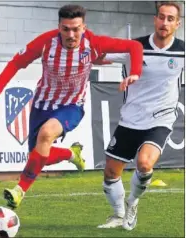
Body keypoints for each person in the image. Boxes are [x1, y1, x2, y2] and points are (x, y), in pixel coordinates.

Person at [0, 4, 143, 210]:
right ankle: (71, 154)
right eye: (66, 29)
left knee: (46, 135)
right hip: (42, 104)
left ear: (84, 27)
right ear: (59, 27)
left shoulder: (94, 43)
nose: (71, 34)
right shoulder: (46, 43)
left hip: (73, 105)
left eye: (76, 29)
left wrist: (135, 72)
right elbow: (16, 63)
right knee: (38, 156)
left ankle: (19, 190)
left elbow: (134, 47)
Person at [96, 2, 185, 231]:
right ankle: (118, 214)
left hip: (161, 119)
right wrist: (95, 54)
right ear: (155, 19)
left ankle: (132, 203)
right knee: (110, 173)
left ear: (178, 23)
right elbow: (100, 57)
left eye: (170, 19)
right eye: (161, 17)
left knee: (144, 163)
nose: (164, 23)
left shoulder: (182, 51)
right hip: (130, 120)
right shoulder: (133, 47)